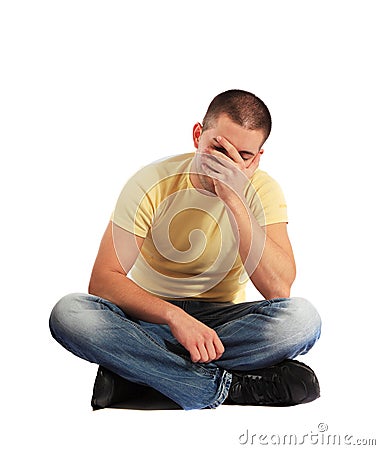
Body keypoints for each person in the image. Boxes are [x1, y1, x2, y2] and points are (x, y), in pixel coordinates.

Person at [49, 89, 321, 411]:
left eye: (243, 156)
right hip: (149, 316)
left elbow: (278, 289)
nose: (226, 163)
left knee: (302, 320)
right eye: (218, 148)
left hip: (221, 324)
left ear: (259, 157)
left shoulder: (262, 190)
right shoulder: (152, 181)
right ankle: (225, 387)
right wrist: (174, 316)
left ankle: (140, 374)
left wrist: (234, 197)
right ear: (197, 135)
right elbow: (104, 281)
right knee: (70, 313)